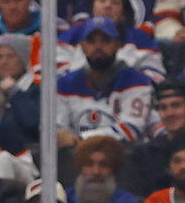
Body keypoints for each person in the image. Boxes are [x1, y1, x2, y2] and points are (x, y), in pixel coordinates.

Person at [54, 16, 153, 145]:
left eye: (105, 40)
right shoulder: (65, 84)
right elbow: (57, 127)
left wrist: (82, 139)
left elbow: (131, 129)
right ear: (82, 46)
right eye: (91, 41)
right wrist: (61, 134)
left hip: (123, 154)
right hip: (76, 154)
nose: (98, 47)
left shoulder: (137, 81)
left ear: (117, 45)